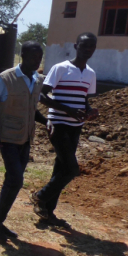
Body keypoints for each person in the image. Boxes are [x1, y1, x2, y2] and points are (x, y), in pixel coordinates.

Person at [31, 32, 99, 227]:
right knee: (71, 169)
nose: (88, 49)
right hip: (58, 123)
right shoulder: (60, 68)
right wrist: (68, 109)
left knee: (61, 168)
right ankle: (40, 196)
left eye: (91, 46)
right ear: (76, 46)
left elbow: (84, 99)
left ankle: (47, 211)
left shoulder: (90, 73)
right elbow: (42, 96)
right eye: (84, 45)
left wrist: (89, 111)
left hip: (76, 126)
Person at [0, 41, 47, 240]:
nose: (37, 61)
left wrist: (47, 123)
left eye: (39, 58)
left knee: (13, 181)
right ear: (23, 56)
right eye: (33, 57)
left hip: (25, 138)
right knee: (16, 179)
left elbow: (31, 109)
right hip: (7, 137)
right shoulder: (6, 78)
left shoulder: (36, 80)